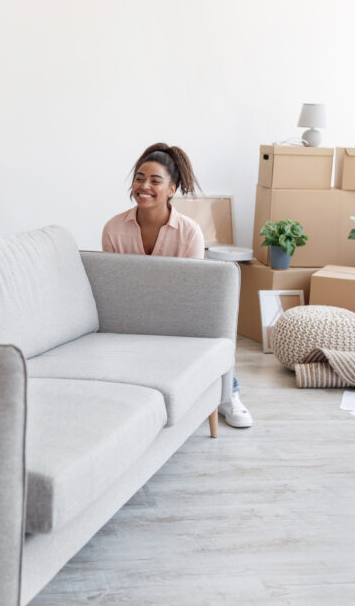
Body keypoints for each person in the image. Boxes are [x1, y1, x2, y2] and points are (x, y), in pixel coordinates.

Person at [101, 142, 253, 428]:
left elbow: (188, 290)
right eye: (139, 178)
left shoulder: (189, 232)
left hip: (177, 314)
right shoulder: (114, 228)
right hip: (130, 314)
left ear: (172, 189)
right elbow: (113, 285)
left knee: (213, 326)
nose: (144, 186)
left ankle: (228, 394)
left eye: (155, 181)